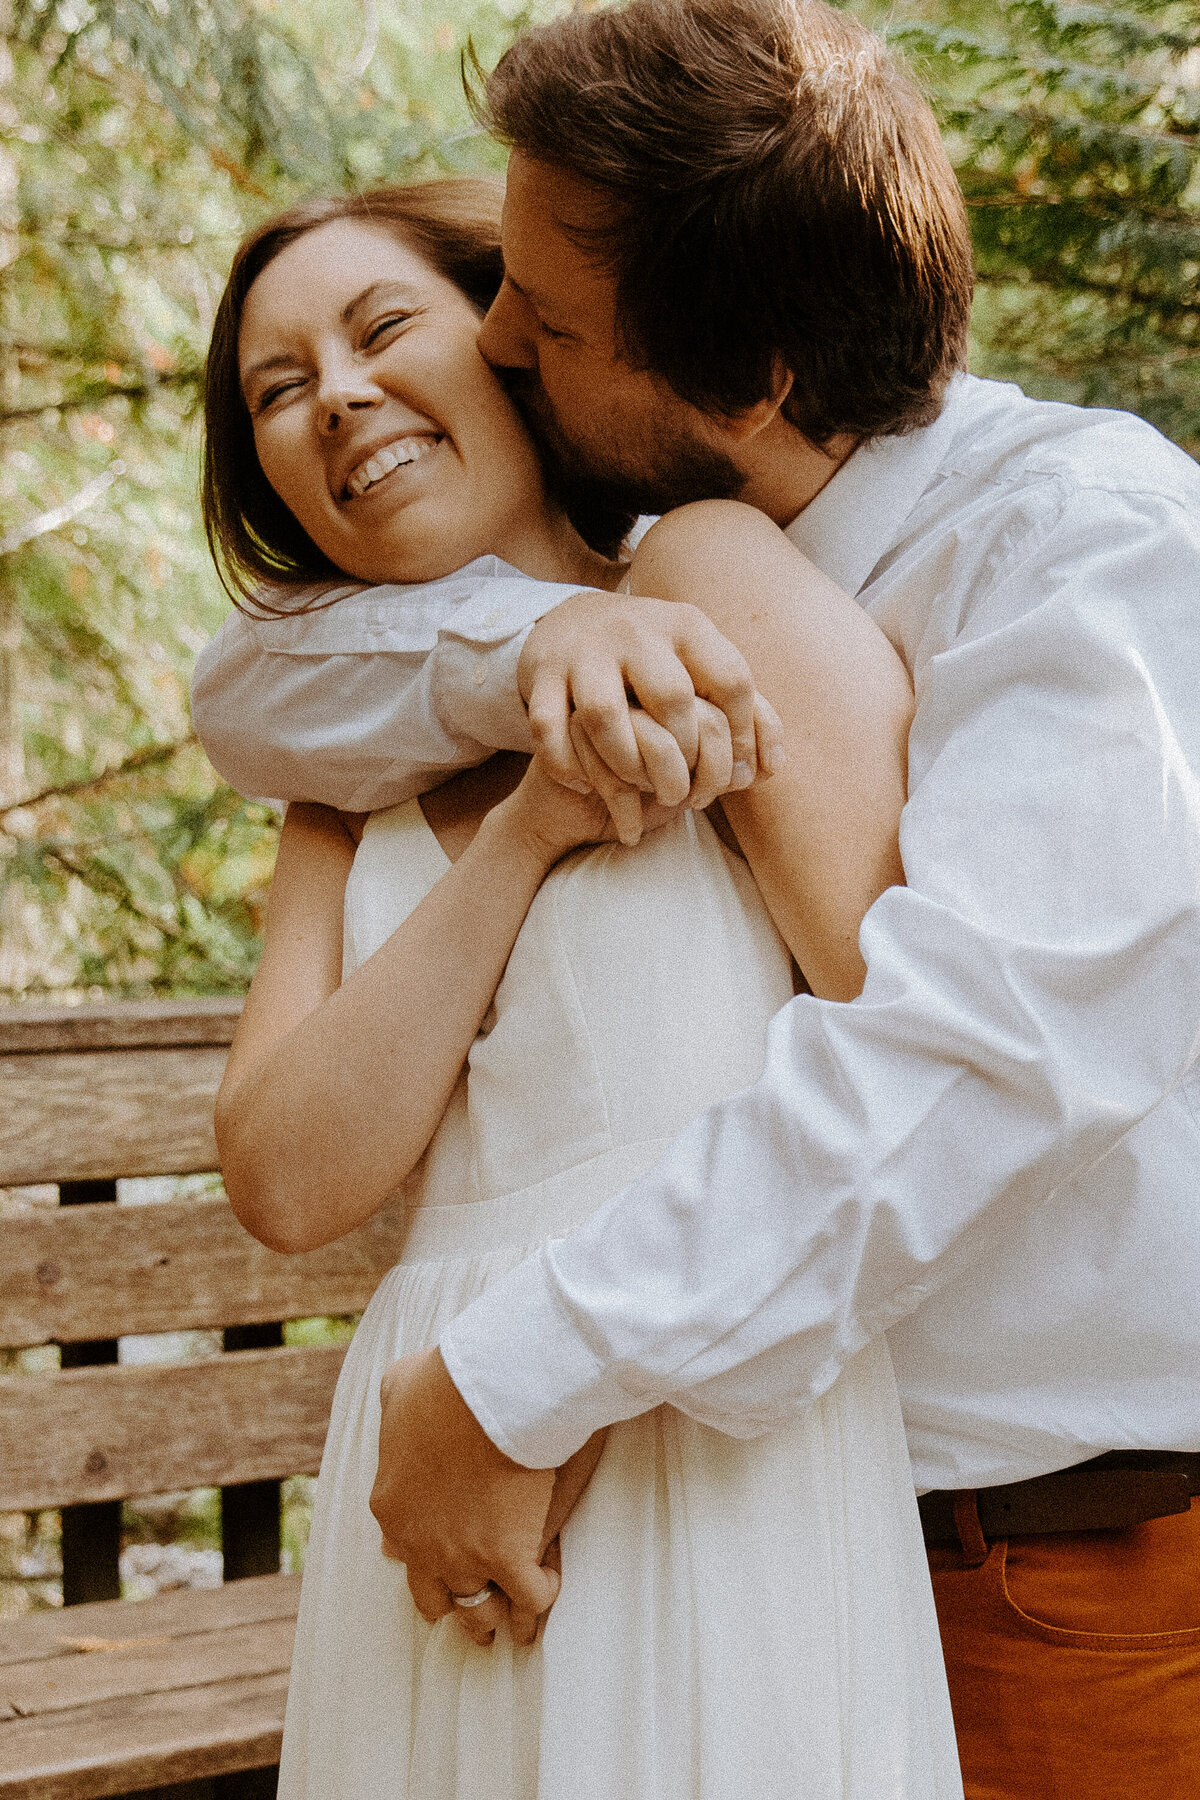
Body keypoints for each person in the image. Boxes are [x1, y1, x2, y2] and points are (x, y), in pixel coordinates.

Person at [219, 4, 1198, 1797]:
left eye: (545, 317)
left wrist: (518, 1376)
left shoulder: (1079, 545)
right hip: (743, 1512)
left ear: (744, 378)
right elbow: (258, 684)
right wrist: (530, 682)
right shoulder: (622, 586)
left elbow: (972, 1066)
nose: (504, 341)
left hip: (1052, 1559)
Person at [195, 180, 962, 1795]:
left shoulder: (710, 587)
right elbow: (286, 1175)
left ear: (509, 342)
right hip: (429, 1463)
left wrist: (574, 1371)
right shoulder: (336, 779)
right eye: (276, 390)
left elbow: (903, 1017)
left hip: (711, 1423)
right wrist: (527, 830)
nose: (334, 395)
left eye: (380, 328)